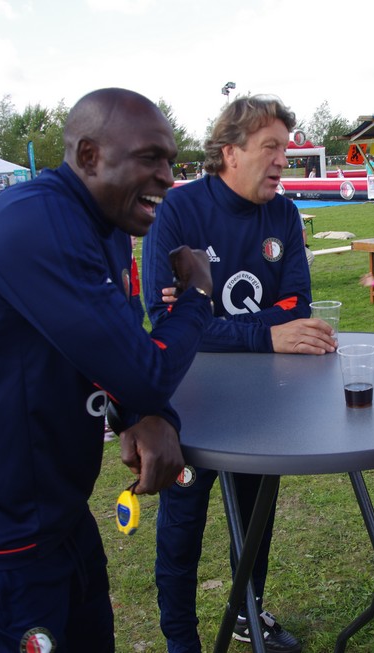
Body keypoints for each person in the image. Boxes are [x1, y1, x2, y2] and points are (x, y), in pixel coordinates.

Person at [0, 88, 215, 652]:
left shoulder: (107, 226)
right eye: (150, 158)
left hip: (55, 509)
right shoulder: (32, 221)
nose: (168, 176)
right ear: (90, 156)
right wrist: (196, 296)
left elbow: (114, 350)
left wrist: (146, 414)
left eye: (170, 160)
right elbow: (145, 371)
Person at [143, 94, 335, 653]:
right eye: (270, 147)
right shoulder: (179, 211)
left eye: (285, 148)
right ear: (230, 151)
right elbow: (167, 321)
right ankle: (181, 640)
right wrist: (263, 332)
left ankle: (249, 612)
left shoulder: (284, 214)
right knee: (183, 521)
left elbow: (297, 304)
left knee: (254, 518)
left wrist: (213, 322)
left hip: (261, 399)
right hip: (191, 401)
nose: (283, 160)